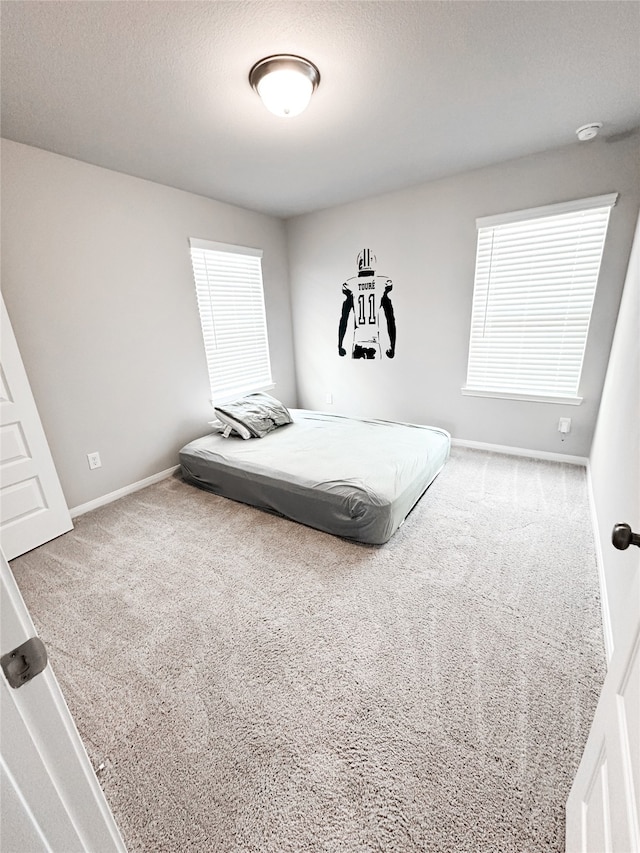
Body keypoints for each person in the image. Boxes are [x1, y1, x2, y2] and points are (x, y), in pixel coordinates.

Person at [338, 249, 396, 359]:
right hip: (374, 342)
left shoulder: (351, 285)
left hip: (358, 343)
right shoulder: (382, 284)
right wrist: (392, 346)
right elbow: (390, 319)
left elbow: (344, 318)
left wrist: (340, 345)